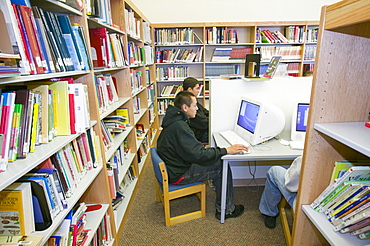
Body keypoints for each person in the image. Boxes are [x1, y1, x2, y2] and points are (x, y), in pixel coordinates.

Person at [157, 91, 249, 220]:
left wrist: (216, 151)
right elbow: (198, 155)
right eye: (195, 105)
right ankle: (227, 210)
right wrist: (226, 150)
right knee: (222, 166)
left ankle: (223, 200)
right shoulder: (180, 127)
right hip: (178, 173)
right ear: (185, 108)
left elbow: (193, 151)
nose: (197, 108)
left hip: (175, 165)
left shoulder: (174, 120)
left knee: (215, 158)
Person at [259, 156, 302, 229]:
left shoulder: (306, 159)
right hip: (319, 203)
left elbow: (290, 185)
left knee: (274, 171)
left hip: (300, 201)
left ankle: (270, 213)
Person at [182, 77, 209, 143]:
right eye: (197, 88)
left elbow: (205, 111)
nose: (198, 91)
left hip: (200, 129)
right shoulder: (187, 103)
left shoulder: (192, 99)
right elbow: (204, 123)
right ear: (190, 89)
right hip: (198, 134)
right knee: (216, 135)